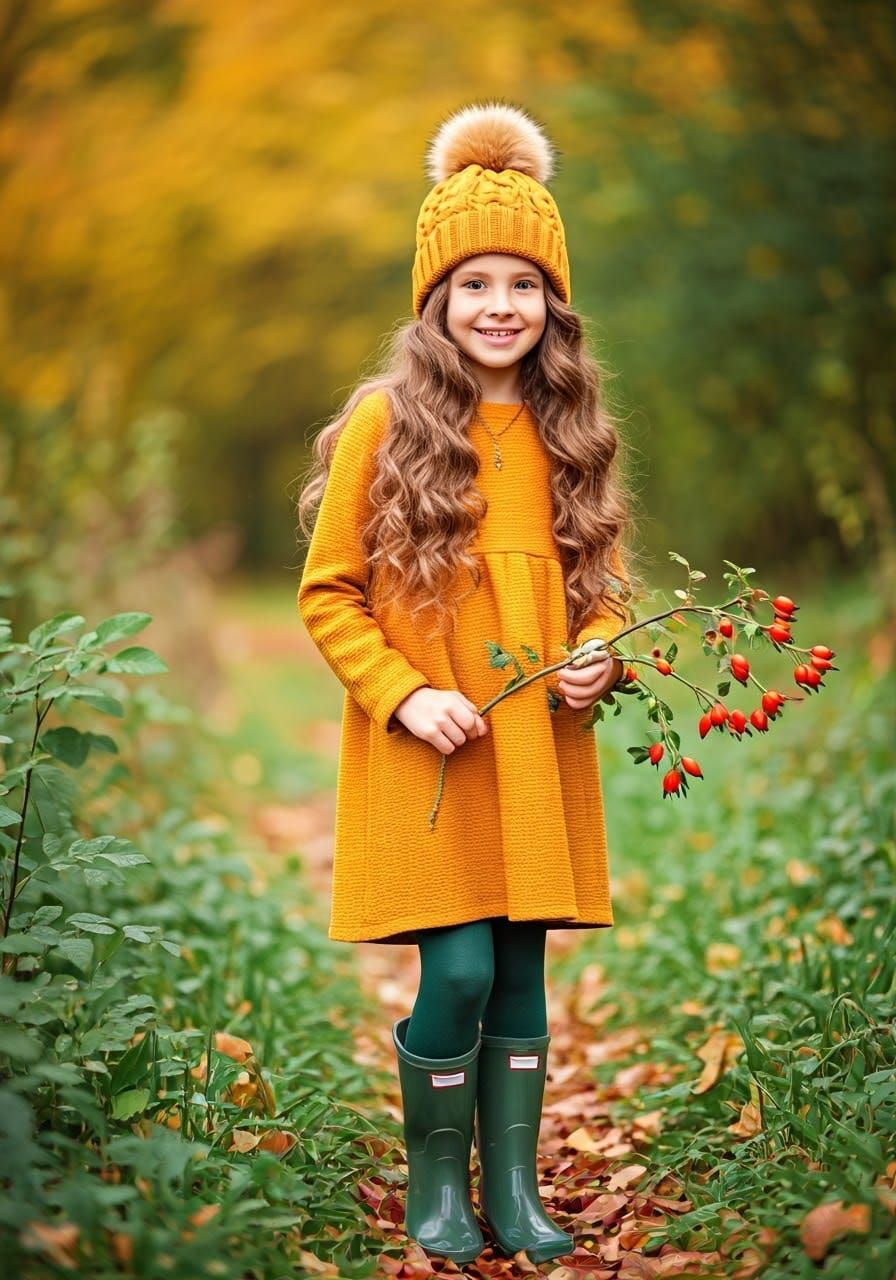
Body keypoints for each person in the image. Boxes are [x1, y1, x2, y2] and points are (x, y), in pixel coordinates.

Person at [296, 102, 640, 1267]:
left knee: (521, 972)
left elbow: (602, 581)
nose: (500, 305)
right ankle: (437, 1183)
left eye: (524, 283)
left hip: (534, 746)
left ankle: (517, 1191)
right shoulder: (386, 425)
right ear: (434, 300)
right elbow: (328, 591)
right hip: (430, 747)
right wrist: (400, 692)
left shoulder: (566, 430)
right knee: (456, 965)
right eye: (474, 282)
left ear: (553, 303)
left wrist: (602, 646)